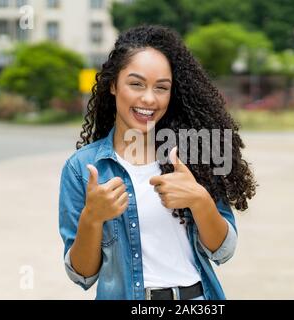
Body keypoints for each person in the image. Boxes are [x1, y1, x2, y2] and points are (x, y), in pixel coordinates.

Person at [59, 25, 257, 300]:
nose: (149, 99)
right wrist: (91, 218)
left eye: (161, 88)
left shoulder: (194, 154)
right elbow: (82, 274)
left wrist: (199, 199)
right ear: (113, 85)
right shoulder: (81, 168)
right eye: (136, 84)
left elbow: (223, 251)